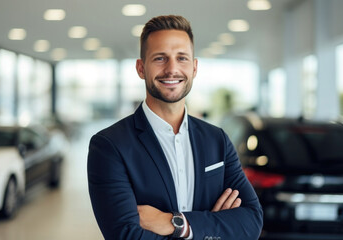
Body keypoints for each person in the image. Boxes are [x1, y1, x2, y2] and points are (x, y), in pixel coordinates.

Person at [87, 15, 263, 240]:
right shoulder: (110, 146)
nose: (172, 69)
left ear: (194, 67)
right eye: (160, 58)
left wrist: (177, 224)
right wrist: (211, 226)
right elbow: (125, 234)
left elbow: (251, 222)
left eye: (182, 58)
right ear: (141, 68)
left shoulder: (216, 139)